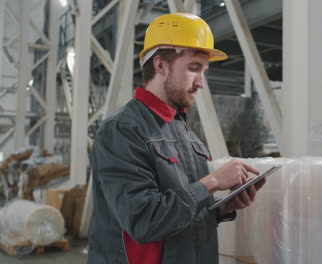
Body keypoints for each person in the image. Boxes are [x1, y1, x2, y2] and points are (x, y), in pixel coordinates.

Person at [88, 13, 266, 264]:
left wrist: (220, 208)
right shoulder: (122, 131)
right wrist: (213, 181)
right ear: (160, 65)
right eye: (194, 68)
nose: (201, 83)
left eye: (204, 70)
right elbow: (144, 221)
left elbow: (180, 211)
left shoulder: (185, 132)